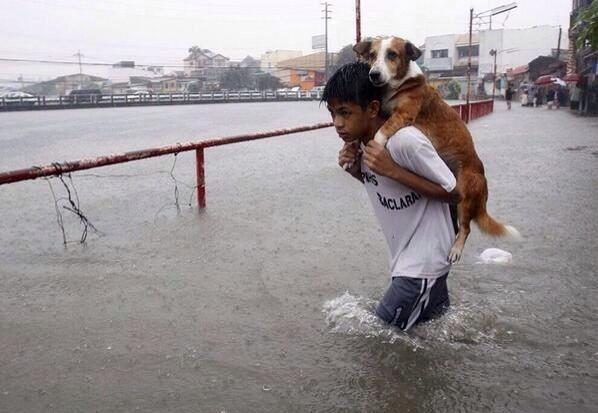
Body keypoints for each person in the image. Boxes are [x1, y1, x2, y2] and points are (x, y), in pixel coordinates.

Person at [322, 62, 462, 331]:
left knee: (380, 345)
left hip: (421, 267)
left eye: (345, 113)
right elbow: (387, 187)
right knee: (431, 342)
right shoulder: (365, 146)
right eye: (332, 113)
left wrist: (394, 170)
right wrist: (355, 171)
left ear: (373, 108)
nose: (337, 123)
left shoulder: (405, 141)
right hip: (413, 265)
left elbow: (455, 193)